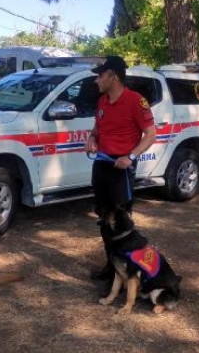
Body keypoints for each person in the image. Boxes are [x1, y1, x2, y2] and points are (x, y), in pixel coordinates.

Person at [84, 56, 157, 293]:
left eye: (100, 75)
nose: (97, 80)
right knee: (104, 220)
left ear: (113, 76)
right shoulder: (102, 102)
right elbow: (97, 130)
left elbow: (150, 134)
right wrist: (91, 139)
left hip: (121, 169)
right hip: (102, 166)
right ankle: (110, 266)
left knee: (121, 223)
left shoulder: (136, 101)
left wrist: (131, 157)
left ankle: (126, 274)